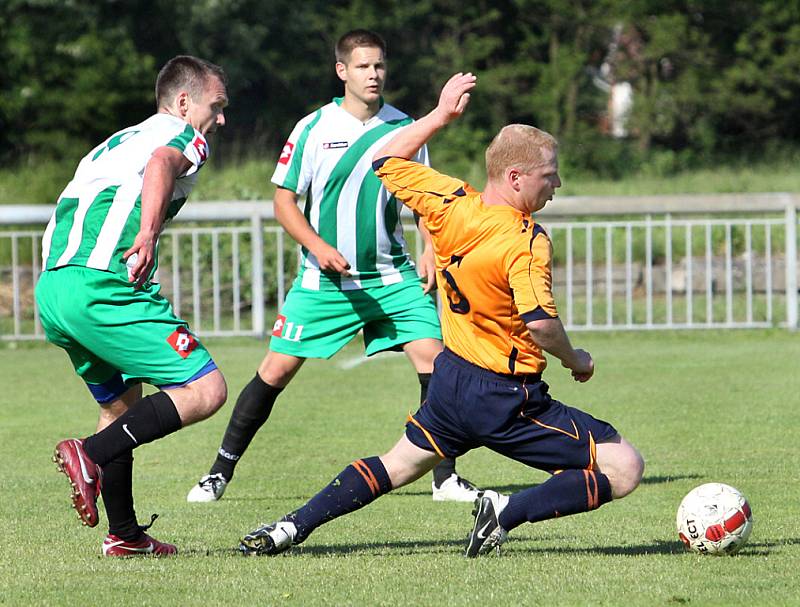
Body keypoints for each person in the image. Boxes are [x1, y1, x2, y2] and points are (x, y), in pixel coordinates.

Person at [237, 72, 645, 558]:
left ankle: (289, 528)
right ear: (516, 178)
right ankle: (504, 510)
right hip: (505, 397)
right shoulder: (525, 239)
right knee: (624, 468)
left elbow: (383, 157)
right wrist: (577, 358)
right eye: (550, 174)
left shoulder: (449, 202)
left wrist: (439, 116)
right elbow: (538, 322)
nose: (557, 182)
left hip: (452, 381)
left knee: (394, 466)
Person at [186, 29, 479, 504]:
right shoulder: (312, 128)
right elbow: (284, 202)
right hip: (324, 282)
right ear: (342, 71)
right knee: (276, 371)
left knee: (437, 364)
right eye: (363, 66)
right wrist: (317, 246)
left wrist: (430, 249)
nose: (374, 74)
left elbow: (424, 199)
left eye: (380, 65)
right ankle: (219, 472)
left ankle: (443, 477)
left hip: (391, 276)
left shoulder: (405, 127)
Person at [36, 55, 230, 557]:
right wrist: (147, 233)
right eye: (217, 106)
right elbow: (166, 163)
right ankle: (90, 454)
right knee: (205, 389)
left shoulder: (115, 141)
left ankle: (125, 536)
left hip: (56, 289)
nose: (221, 119)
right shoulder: (184, 136)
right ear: (184, 102)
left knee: (120, 406)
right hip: (104, 286)